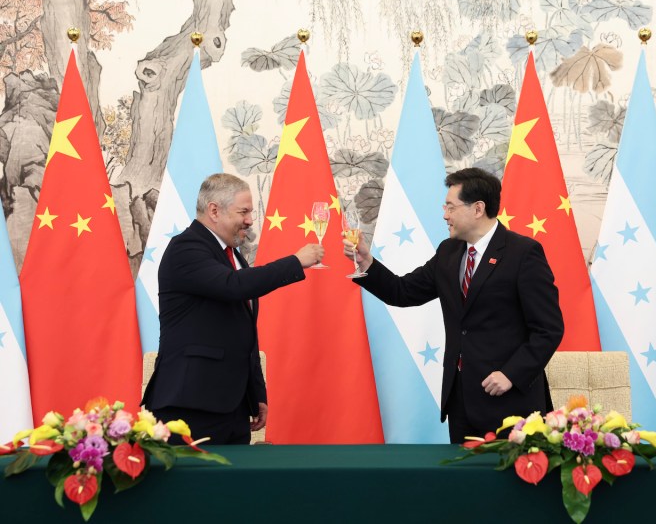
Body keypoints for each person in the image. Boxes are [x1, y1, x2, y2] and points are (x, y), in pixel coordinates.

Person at [344, 167, 564, 443]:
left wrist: (511, 373)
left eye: (450, 207)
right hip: (460, 403)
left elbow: (549, 328)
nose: (444, 215)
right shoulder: (448, 252)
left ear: (478, 209)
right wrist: (366, 263)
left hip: (511, 403)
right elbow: (403, 292)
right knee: (465, 485)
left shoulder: (523, 253)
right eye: (444, 207)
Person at [142, 173, 324, 444]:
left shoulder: (233, 256)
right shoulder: (186, 247)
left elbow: (242, 331)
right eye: (244, 211)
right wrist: (295, 262)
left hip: (233, 407)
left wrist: (256, 394)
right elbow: (233, 286)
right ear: (214, 210)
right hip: (191, 405)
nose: (250, 220)